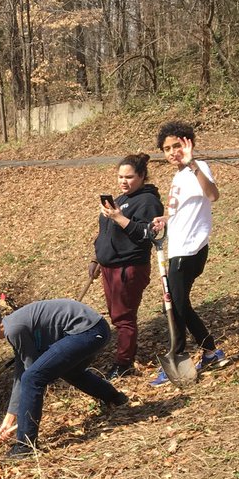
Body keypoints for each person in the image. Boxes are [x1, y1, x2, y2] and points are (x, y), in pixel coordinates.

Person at [0, 299, 128, 457]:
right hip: (94, 329)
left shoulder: (14, 329)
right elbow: (21, 374)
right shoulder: (13, 327)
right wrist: (9, 417)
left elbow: (31, 377)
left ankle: (25, 445)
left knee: (33, 378)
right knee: (69, 372)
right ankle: (114, 398)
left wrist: (18, 417)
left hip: (89, 331)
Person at [149, 121, 224, 386]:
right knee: (179, 303)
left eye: (177, 146)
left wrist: (192, 163)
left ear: (188, 143)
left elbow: (212, 195)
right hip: (178, 248)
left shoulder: (197, 168)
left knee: (175, 306)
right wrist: (164, 218)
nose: (172, 152)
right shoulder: (178, 176)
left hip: (190, 250)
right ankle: (211, 351)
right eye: (167, 149)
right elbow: (180, 209)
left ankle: (178, 355)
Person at [89, 152, 163, 378]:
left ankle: (124, 363)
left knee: (124, 317)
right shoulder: (119, 200)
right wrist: (96, 259)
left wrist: (119, 218)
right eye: (120, 176)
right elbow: (105, 233)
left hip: (128, 267)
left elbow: (146, 234)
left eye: (129, 177)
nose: (123, 181)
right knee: (117, 315)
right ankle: (124, 355)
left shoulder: (148, 201)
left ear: (141, 176)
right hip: (109, 266)